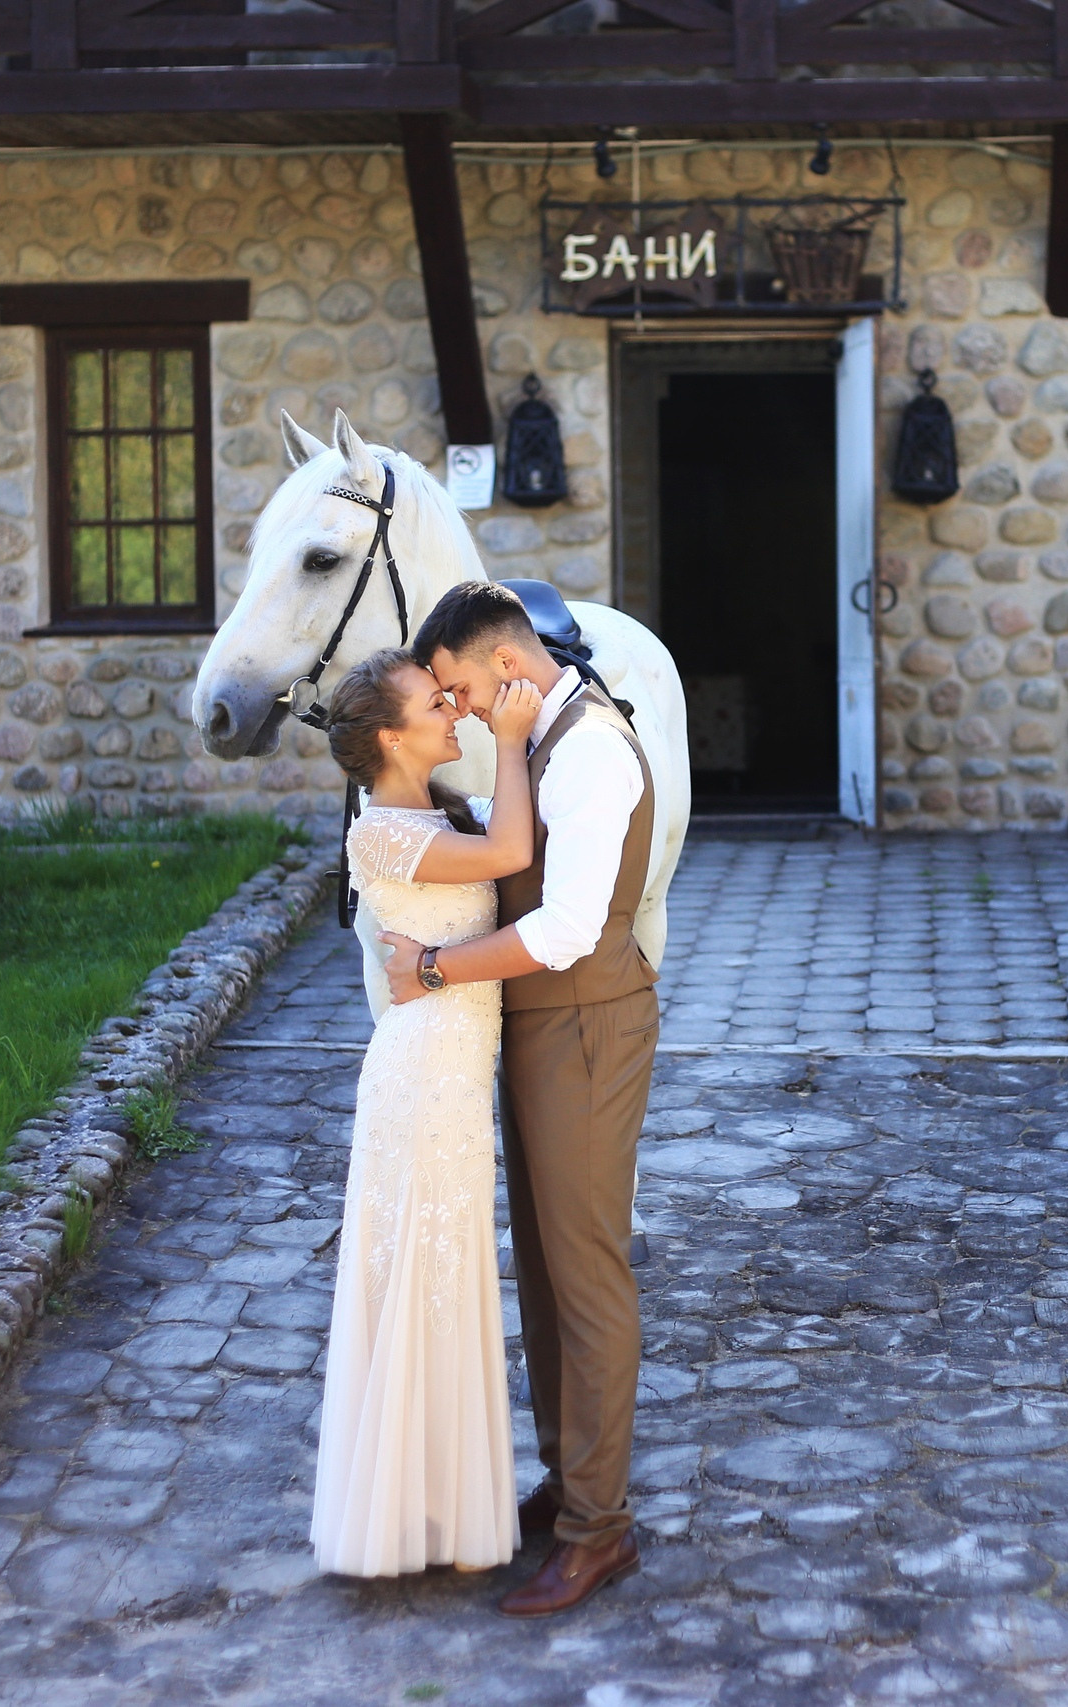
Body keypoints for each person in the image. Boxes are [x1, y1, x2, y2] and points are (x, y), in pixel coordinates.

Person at [379, 580, 658, 1620]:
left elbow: (563, 931)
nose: (448, 709)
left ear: (506, 666)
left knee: (584, 1270)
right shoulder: (537, 732)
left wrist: (438, 970)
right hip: (538, 1027)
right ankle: (568, 1477)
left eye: (452, 687)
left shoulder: (587, 751)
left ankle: (601, 1532)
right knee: (541, 1263)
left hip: (585, 1023)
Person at [308, 646, 544, 1578]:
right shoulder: (379, 835)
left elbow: (504, 838)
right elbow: (512, 853)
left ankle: (440, 1510)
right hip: (423, 1080)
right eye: (432, 703)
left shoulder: (427, 811)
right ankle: (412, 1515)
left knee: (448, 1272)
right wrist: (514, 737)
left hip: (449, 1074)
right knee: (428, 1271)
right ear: (388, 738)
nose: (453, 710)